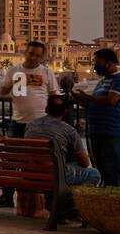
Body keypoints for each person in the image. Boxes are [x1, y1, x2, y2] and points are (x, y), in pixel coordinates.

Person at [0, 40, 61, 209]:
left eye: (37, 55)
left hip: (40, 124)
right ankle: (7, 196)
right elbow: (4, 93)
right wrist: (13, 87)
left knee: (41, 161)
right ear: (26, 52)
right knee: (11, 160)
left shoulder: (46, 72)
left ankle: (48, 199)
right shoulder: (15, 71)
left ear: (42, 56)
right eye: (31, 53)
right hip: (18, 121)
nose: (33, 58)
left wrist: (55, 118)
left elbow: (54, 94)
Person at [24, 93, 102, 221]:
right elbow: (85, 162)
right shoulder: (68, 130)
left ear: (46, 109)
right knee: (93, 174)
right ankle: (74, 209)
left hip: (32, 172)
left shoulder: (31, 125)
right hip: (54, 174)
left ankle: (58, 208)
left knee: (56, 171)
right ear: (65, 112)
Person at [72, 48, 120, 187]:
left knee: (112, 171)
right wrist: (82, 101)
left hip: (112, 132)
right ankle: (103, 201)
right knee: (101, 169)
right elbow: (96, 101)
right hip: (97, 130)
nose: (94, 65)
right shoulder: (102, 81)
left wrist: (86, 97)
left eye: (97, 62)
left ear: (109, 63)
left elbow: (111, 100)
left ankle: (114, 200)